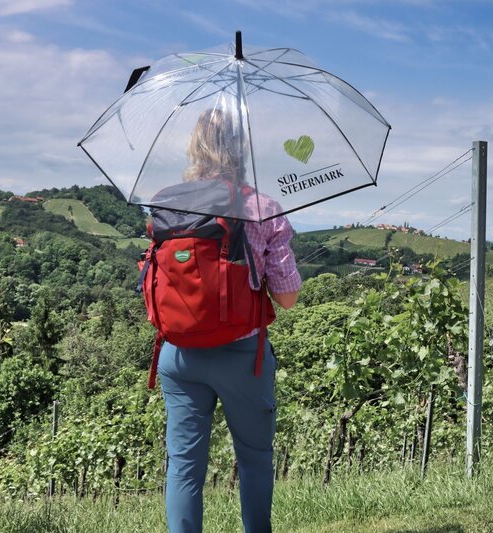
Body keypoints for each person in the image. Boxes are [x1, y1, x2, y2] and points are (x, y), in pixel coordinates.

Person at [156, 106, 300, 533]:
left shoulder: (166, 204)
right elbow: (288, 298)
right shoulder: (262, 207)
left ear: (194, 147)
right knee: (254, 458)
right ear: (241, 149)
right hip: (243, 356)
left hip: (178, 354)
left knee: (184, 465)